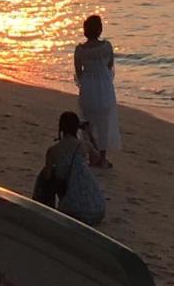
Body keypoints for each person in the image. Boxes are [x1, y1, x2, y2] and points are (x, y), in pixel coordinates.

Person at [42, 112, 105, 226]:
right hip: (97, 209)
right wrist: (89, 134)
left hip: (73, 211)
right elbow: (98, 160)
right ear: (77, 127)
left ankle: (44, 207)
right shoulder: (84, 146)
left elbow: (47, 177)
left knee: (45, 175)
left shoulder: (53, 150)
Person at [74, 14, 121, 168]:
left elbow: (78, 72)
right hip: (103, 87)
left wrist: (86, 82)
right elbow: (110, 65)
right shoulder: (107, 46)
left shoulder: (80, 50)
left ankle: (92, 155)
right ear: (100, 30)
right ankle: (102, 158)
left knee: (88, 122)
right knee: (103, 123)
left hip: (88, 86)